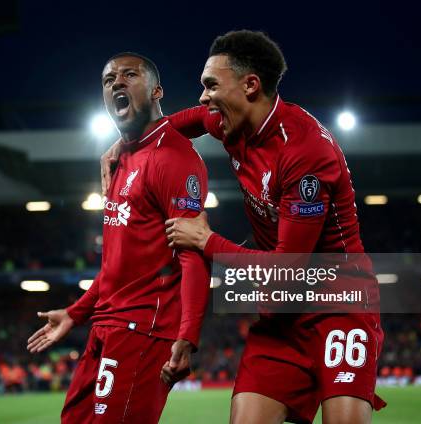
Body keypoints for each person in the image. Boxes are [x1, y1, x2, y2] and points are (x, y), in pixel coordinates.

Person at [101, 31, 385, 424]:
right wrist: (129, 144)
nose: (203, 97)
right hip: (282, 314)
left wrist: (206, 241)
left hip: (338, 304)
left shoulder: (304, 153)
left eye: (211, 85)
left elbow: (288, 269)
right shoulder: (230, 123)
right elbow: (183, 122)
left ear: (250, 85)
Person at [27, 52, 211, 423]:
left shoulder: (173, 158)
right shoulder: (119, 160)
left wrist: (188, 336)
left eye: (129, 75)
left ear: (157, 90)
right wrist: (76, 314)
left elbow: (195, 255)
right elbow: (116, 268)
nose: (117, 84)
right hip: (105, 326)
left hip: (142, 330)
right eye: (109, 80)